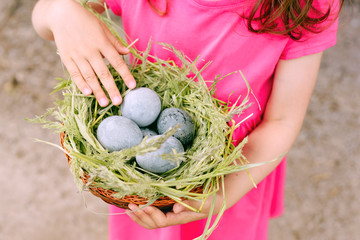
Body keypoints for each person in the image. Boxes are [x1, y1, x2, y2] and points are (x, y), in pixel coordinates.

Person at [32, 0, 343, 239]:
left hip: (234, 170)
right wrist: (60, 12)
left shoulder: (306, 5)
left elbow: (283, 120)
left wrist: (222, 195)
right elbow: (43, 17)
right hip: (140, 178)